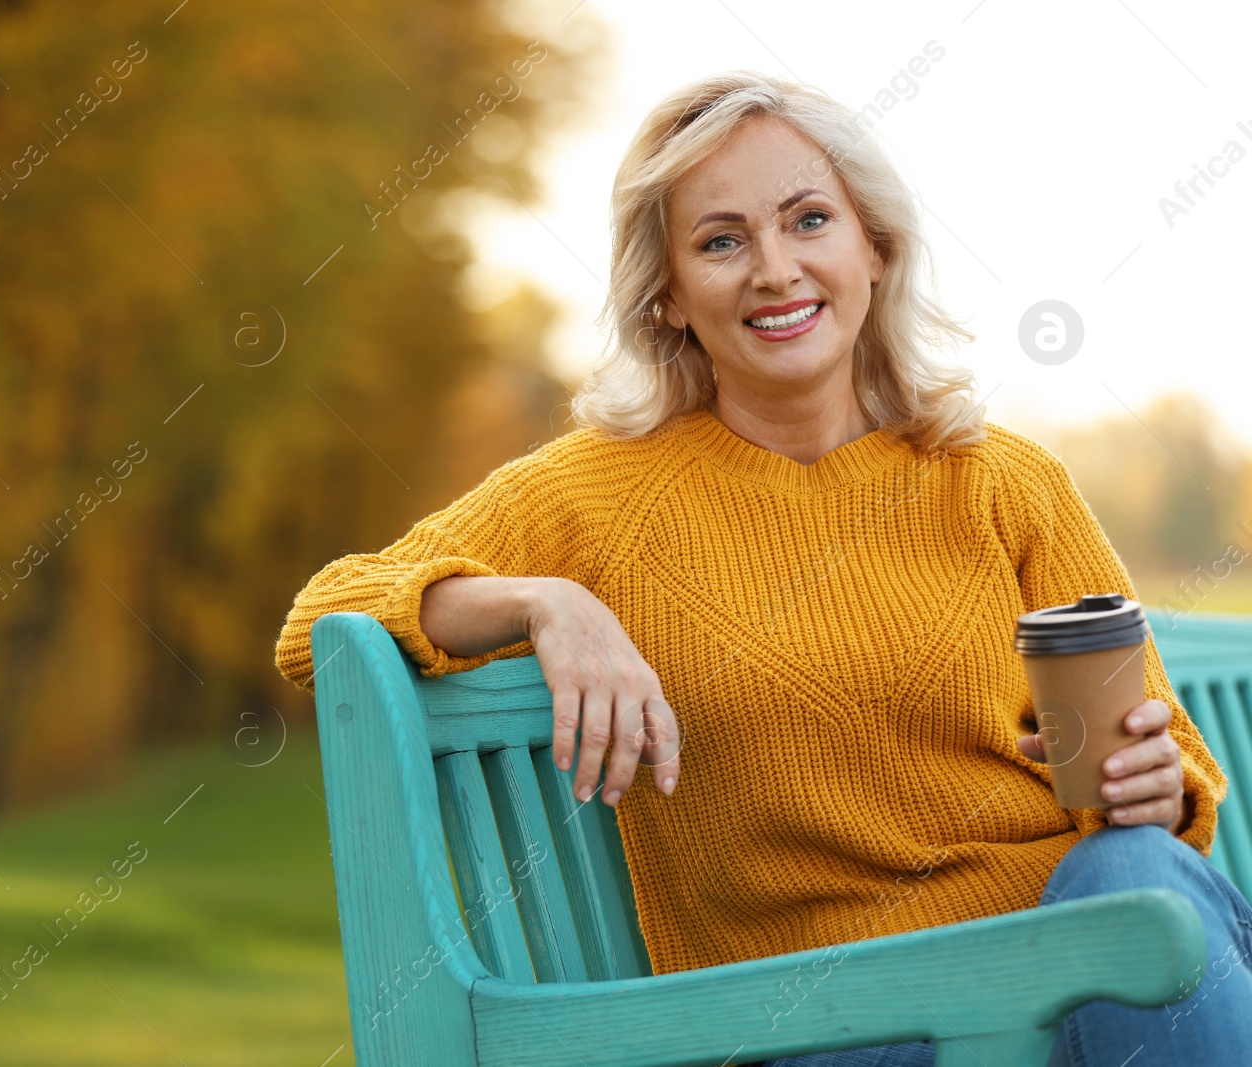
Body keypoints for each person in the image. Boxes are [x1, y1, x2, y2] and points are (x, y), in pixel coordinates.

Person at [272, 71, 1252, 1065]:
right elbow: (322, 620)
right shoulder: (596, 493)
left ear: (873, 245)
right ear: (668, 293)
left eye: (808, 219)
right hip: (842, 1025)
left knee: (1134, 876)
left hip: (1085, 969)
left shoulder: (1002, 481)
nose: (774, 269)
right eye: (721, 240)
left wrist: (1155, 788)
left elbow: (1175, 772)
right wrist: (545, 602)